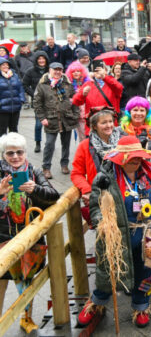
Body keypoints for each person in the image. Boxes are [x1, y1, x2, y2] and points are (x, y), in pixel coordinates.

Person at [77, 136, 151, 329]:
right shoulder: (105, 178)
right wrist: (101, 223)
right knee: (109, 271)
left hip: (149, 235)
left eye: (139, 157)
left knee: (147, 272)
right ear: (120, 159)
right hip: (119, 234)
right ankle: (96, 303)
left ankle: (141, 307)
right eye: (132, 158)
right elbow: (96, 206)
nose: (136, 161)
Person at [0, 132, 59, 333]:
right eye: (10, 153)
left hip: (29, 238)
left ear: (25, 153)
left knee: (27, 281)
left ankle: (26, 318)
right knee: (1, 282)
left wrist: (35, 189)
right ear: (3, 155)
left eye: (19, 152)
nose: (15, 157)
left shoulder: (33, 172)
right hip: (3, 239)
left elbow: (54, 196)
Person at [71, 107, 122, 221]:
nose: (109, 125)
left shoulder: (122, 141)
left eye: (110, 121)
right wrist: (88, 190)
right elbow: (76, 173)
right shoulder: (85, 146)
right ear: (94, 126)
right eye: (103, 123)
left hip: (123, 194)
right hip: (101, 197)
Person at [33, 62, 79, 179]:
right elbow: (37, 103)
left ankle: (64, 164)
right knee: (49, 144)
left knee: (66, 144)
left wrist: (75, 115)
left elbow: (75, 100)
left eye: (60, 69)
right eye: (55, 69)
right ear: (50, 70)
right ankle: (46, 167)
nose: (57, 72)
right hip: (51, 119)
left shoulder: (67, 83)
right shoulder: (43, 84)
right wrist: (42, 118)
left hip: (67, 119)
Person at [73, 65, 123, 136]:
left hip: (110, 126)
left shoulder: (112, 82)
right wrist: (82, 94)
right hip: (93, 126)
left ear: (105, 70)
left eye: (101, 69)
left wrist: (105, 77)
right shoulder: (88, 84)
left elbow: (119, 88)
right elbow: (76, 101)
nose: (98, 72)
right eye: (96, 70)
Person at [0, 57, 25, 135]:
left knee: (14, 130)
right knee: (2, 130)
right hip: (2, 109)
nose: (6, 66)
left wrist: (21, 99)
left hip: (15, 107)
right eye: (3, 65)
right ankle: (2, 146)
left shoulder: (14, 75)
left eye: (7, 65)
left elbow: (20, 88)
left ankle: (13, 146)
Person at [66, 60, 90, 141]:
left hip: (88, 113)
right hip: (78, 114)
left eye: (78, 71)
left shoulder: (87, 83)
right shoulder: (69, 85)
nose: (76, 73)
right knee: (82, 135)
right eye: (73, 72)